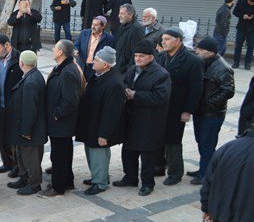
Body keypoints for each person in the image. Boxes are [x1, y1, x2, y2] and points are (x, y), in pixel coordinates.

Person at [117, 40, 171, 196]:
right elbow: (124, 82)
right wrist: (126, 89)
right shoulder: (133, 69)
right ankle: (130, 177)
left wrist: (136, 95)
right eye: (136, 55)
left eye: (141, 56)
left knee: (147, 155)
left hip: (149, 121)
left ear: (150, 57)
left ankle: (147, 183)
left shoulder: (161, 75)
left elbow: (161, 97)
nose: (137, 59)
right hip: (131, 118)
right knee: (128, 151)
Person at [156, 27, 203, 186]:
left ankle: (175, 173)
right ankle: (159, 166)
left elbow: (196, 88)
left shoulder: (193, 60)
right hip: (161, 105)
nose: (164, 42)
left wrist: (188, 110)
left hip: (177, 107)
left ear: (178, 40)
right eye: (163, 39)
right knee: (159, 137)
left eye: (167, 39)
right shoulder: (161, 56)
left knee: (173, 141)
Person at [75, 47, 126, 195]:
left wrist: (104, 134)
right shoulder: (98, 75)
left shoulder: (114, 83)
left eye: (96, 60)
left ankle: (101, 182)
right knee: (91, 152)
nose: (92, 62)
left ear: (105, 65)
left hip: (100, 128)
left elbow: (112, 113)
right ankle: (97, 176)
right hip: (91, 124)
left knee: (99, 154)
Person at [188, 37, 235, 186]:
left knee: (207, 143)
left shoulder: (223, 68)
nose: (197, 51)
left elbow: (228, 90)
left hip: (212, 114)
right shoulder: (203, 63)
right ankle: (204, 167)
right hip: (200, 111)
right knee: (201, 141)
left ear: (210, 52)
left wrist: (211, 103)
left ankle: (206, 174)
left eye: (200, 50)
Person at [41, 40, 83, 197]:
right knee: (64, 152)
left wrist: (56, 114)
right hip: (60, 122)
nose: (52, 50)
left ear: (60, 52)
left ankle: (58, 187)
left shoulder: (68, 72)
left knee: (59, 155)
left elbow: (70, 100)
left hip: (61, 122)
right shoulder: (63, 67)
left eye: (55, 48)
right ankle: (67, 181)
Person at [4, 51, 47, 196]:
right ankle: (24, 178)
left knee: (31, 158)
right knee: (22, 155)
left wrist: (26, 130)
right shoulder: (32, 75)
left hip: (30, 130)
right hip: (25, 127)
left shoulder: (31, 81)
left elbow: (30, 109)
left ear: (22, 63)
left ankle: (34, 184)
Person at [0, 34, 22, 177]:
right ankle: (7, 162)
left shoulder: (19, 58)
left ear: (7, 45)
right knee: (1, 137)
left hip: (14, 106)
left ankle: (17, 166)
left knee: (13, 138)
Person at [74, 15, 115, 81]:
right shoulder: (84, 33)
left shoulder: (109, 38)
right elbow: (76, 44)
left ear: (103, 26)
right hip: (82, 65)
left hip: (95, 68)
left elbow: (109, 55)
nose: (93, 27)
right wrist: (76, 50)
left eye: (96, 25)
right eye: (92, 24)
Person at [114, 4, 145, 74]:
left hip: (126, 71)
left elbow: (136, 52)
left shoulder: (136, 29)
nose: (119, 15)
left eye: (122, 13)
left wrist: (128, 69)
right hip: (118, 67)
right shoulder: (123, 26)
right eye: (119, 13)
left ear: (130, 15)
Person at [232, 0, 254, 70]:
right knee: (238, 46)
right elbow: (235, 12)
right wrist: (242, 16)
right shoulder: (241, 2)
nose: (252, 3)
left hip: (252, 29)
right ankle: (236, 62)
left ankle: (247, 63)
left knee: (250, 47)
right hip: (241, 28)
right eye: (250, 2)